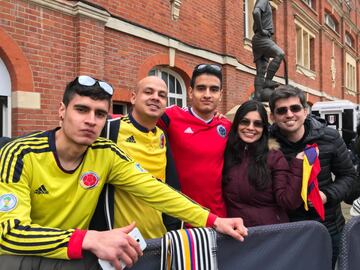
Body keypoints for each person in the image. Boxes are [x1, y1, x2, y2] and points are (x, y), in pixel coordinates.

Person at [0, 75, 248, 270]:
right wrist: (90, 239)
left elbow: (155, 190)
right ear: (62, 110)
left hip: (76, 257)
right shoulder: (20, 153)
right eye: (81, 110)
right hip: (25, 259)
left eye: (99, 114)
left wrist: (214, 220)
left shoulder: (105, 151)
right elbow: (9, 232)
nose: (90, 120)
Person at [269, 85, 357, 267]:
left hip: (328, 227)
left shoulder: (330, 137)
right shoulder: (266, 142)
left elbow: (349, 176)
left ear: (305, 110)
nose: (289, 114)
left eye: (295, 108)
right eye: (282, 110)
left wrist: (327, 195)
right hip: (287, 228)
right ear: (273, 116)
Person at [91, 76, 182, 239]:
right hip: (120, 241)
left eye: (162, 95)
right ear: (133, 98)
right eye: (148, 92)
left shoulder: (162, 136)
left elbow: (169, 185)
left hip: (158, 239)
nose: (155, 97)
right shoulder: (109, 129)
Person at [158, 64, 231, 218]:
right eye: (201, 88)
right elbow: (137, 122)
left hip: (218, 216)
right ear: (190, 92)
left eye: (214, 89)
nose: (207, 94)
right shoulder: (171, 116)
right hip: (181, 216)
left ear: (221, 94)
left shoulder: (226, 126)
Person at [223, 100, 303, 226]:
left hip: (269, 235)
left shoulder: (274, 157)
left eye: (257, 124)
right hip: (235, 235)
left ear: (264, 128)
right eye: (245, 122)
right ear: (237, 124)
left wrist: (298, 166)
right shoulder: (226, 153)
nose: (250, 128)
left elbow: (288, 202)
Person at [252, 0, 285, 100]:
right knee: (280, 54)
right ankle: (268, 80)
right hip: (262, 38)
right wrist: (261, 30)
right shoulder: (263, 0)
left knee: (261, 71)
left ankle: (258, 96)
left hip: (260, 38)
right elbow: (256, 12)